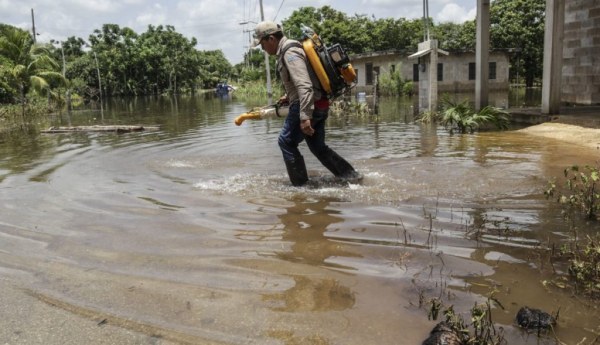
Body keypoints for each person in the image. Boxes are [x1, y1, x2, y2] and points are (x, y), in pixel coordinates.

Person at [253, 21, 361, 186]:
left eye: (262, 44)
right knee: (317, 147)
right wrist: (288, 96)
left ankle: (301, 188)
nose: (263, 49)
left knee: (286, 142)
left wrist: (304, 117)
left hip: (309, 105)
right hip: (319, 104)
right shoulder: (292, 49)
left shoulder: (290, 53)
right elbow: (307, 81)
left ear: (271, 39)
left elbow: (305, 86)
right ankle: (351, 176)